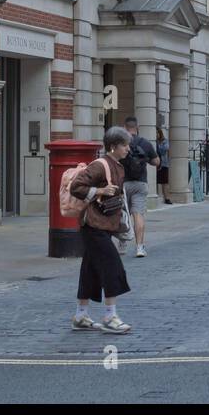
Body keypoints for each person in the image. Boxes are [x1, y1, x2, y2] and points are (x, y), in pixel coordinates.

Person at [68, 126, 134, 333]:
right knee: (112, 267)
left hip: (103, 225)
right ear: (113, 147)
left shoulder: (117, 164)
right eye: (125, 145)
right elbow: (76, 187)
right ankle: (110, 316)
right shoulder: (100, 165)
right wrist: (100, 190)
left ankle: (80, 315)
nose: (128, 149)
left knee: (90, 271)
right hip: (93, 226)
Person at [122, 116, 157, 257]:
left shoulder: (121, 143)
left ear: (125, 128)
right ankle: (140, 247)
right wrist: (146, 159)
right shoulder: (145, 143)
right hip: (140, 183)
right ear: (137, 127)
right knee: (138, 215)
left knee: (123, 214)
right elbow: (157, 162)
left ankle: (122, 244)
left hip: (123, 183)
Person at [155, 127, 172, 204]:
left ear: (159, 133)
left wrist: (157, 144)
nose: (155, 134)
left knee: (165, 182)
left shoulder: (164, 141)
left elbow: (164, 150)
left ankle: (167, 198)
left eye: (157, 133)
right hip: (154, 164)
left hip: (163, 164)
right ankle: (156, 196)